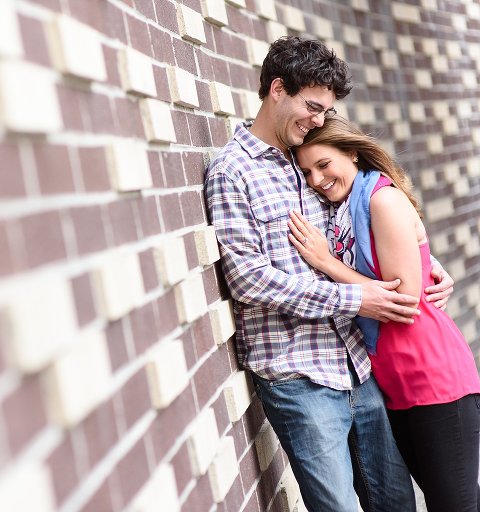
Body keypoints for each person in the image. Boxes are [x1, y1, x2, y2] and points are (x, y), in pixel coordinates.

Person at [204, 36, 455, 512]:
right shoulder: (232, 172)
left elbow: (364, 222)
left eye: (325, 111)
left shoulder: (312, 159)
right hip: (298, 375)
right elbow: (249, 280)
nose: (319, 120)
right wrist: (358, 301)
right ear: (277, 88)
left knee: (397, 503)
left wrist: (423, 260)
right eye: (312, 106)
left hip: (358, 365)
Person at [288, 116, 480, 511]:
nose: (316, 179)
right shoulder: (343, 211)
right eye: (306, 171)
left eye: (324, 164)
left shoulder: (381, 199)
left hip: (433, 376)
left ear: (353, 153)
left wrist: (328, 263)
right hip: (395, 383)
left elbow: (404, 299)